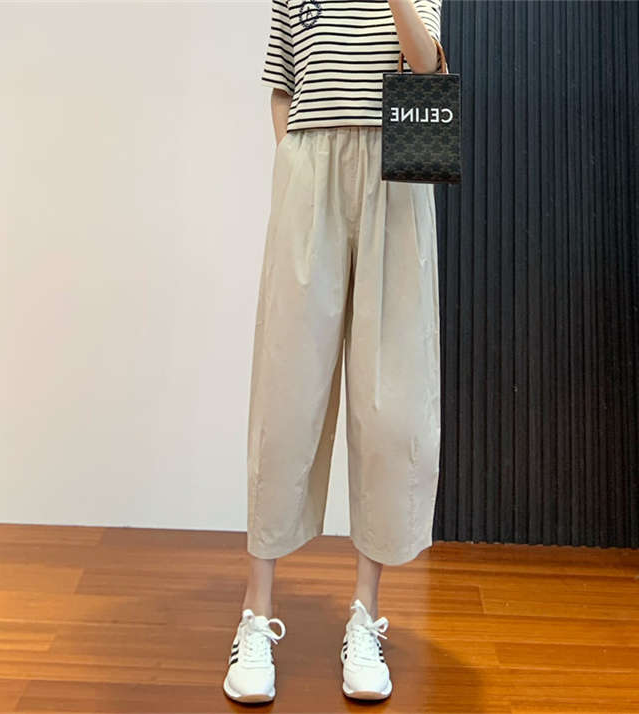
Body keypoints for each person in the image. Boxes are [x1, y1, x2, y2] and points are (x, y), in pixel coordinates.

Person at [223, 0, 443, 704]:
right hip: (312, 169)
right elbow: (282, 85)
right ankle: (256, 613)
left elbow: (426, 66)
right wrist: (294, 165)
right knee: (286, 391)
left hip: (396, 170)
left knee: (392, 400)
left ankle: (364, 615)